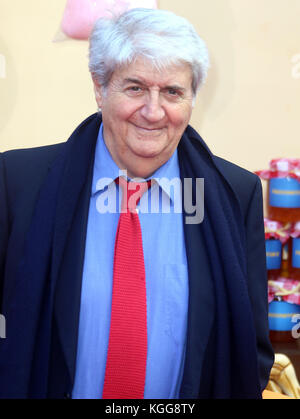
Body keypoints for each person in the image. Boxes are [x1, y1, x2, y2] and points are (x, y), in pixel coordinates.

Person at [0, 8, 274, 399]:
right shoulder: (18, 182)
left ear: (193, 97)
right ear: (99, 87)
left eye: (173, 92)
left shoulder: (236, 193)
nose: (153, 111)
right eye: (135, 88)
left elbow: (249, 350)